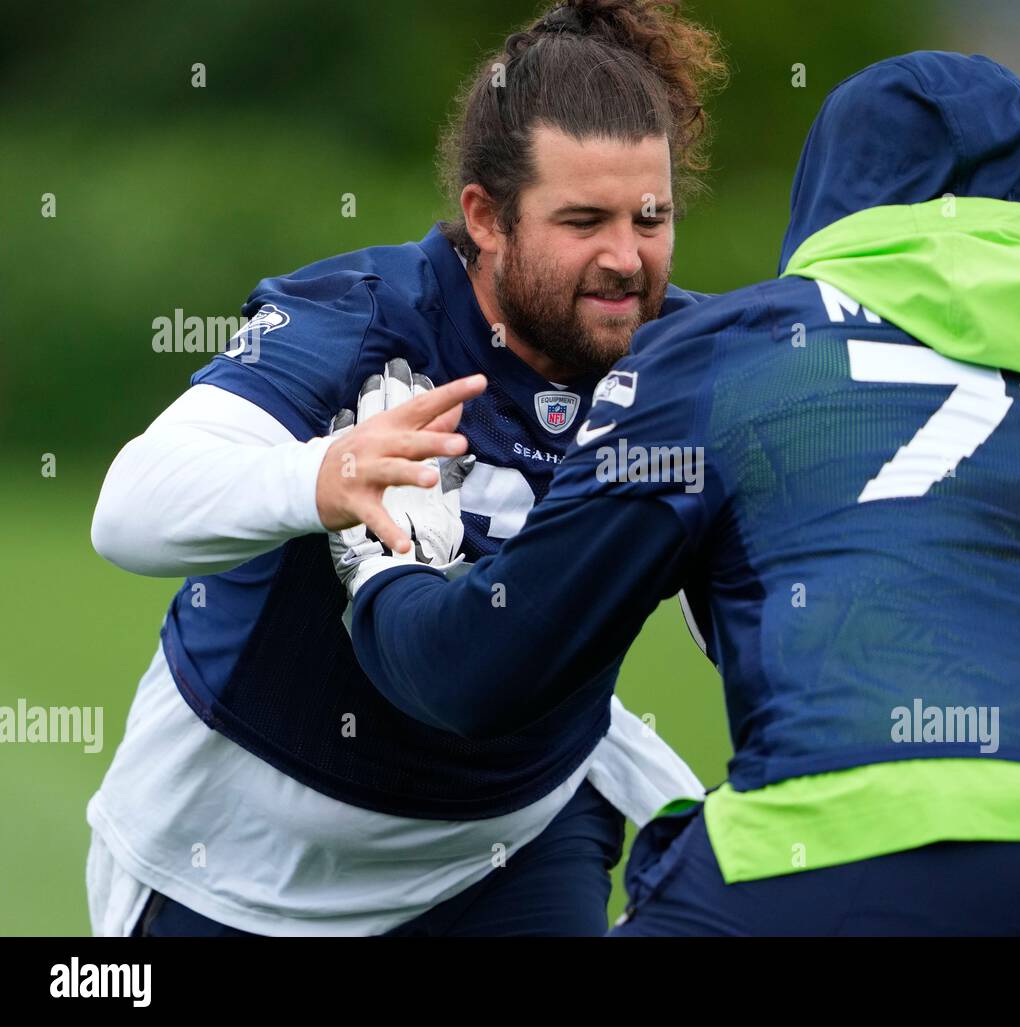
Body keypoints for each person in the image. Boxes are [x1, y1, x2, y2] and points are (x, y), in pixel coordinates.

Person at [340, 51, 1020, 935]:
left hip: (846, 855)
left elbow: (484, 669)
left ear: (830, 188)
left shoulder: (738, 352)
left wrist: (381, 562)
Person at [86, 0, 723, 937]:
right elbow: (129, 506)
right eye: (583, 219)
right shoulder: (369, 319)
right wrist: (321, 477)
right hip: (244, 858)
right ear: (487, 216)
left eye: (650, 217)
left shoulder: (690, 362)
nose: (626, 259)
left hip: (513, 840)